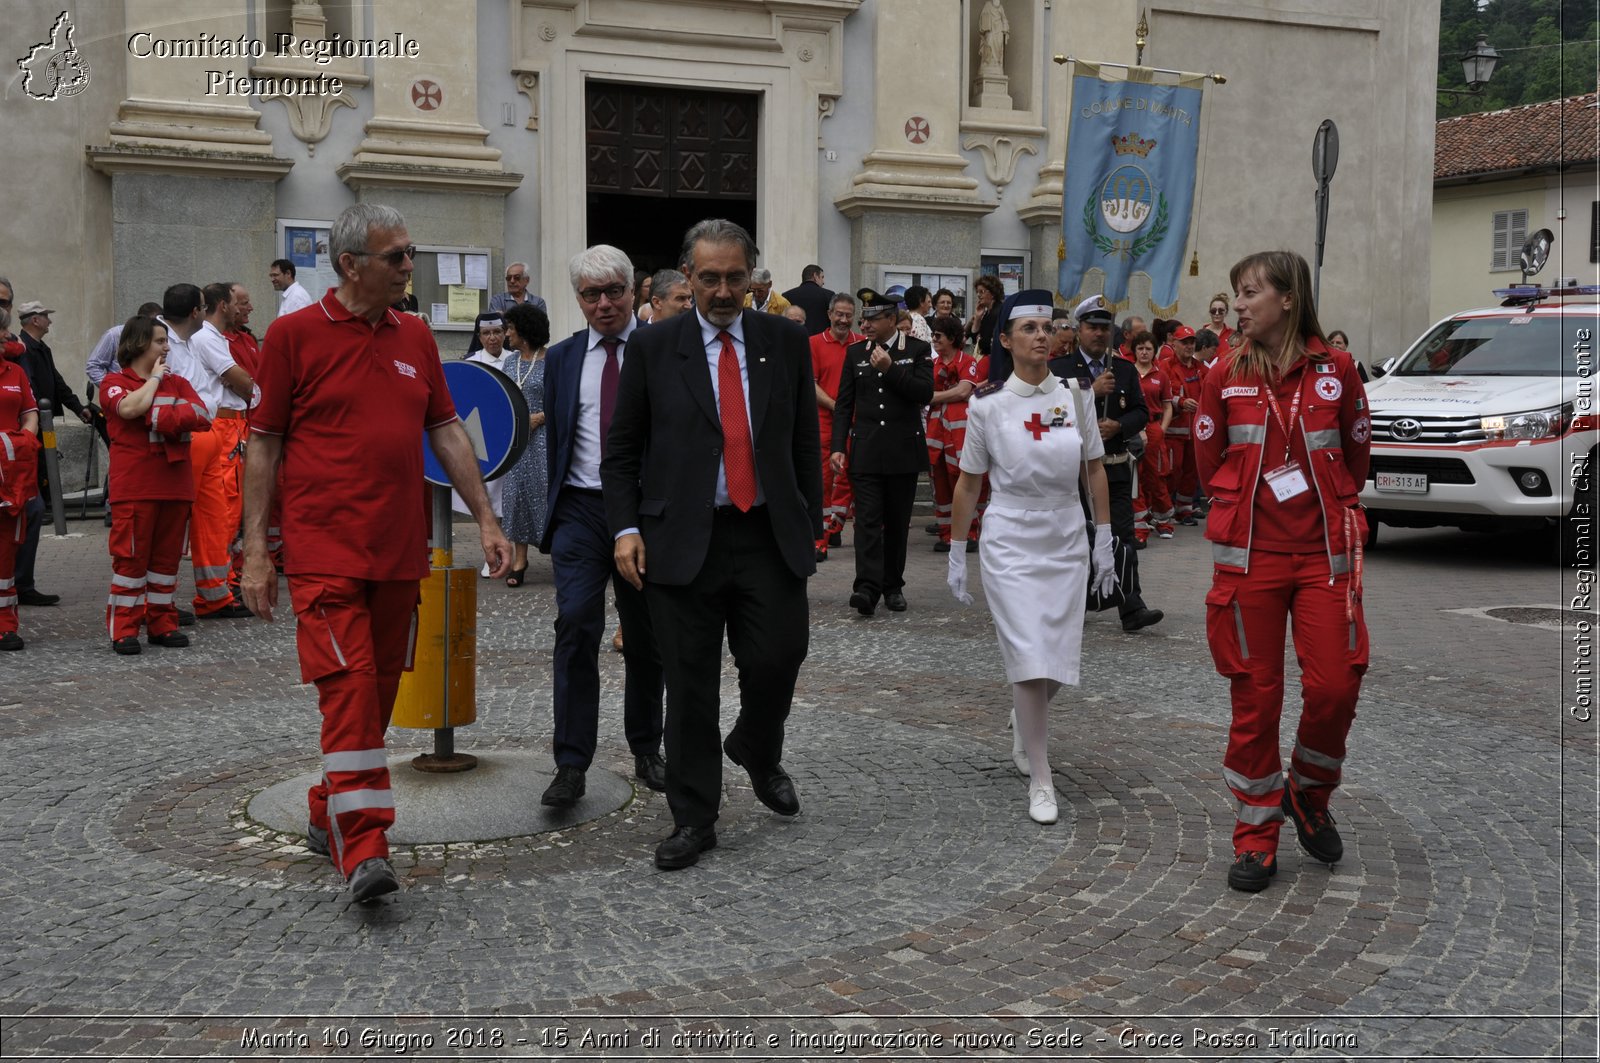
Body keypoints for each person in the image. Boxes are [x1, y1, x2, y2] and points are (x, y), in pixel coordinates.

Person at [240, 203, 512, 904]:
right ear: (350, 264)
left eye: (411, 253)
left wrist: (485, 518)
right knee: (352, 689)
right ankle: (363, 846)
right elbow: (263, 444)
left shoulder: (416, 335)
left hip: (399, 554)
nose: (407, 267)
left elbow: (447, 430)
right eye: (396, 256)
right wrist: (255, 552)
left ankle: (325, 803)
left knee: (377, 696)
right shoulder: (293, 336)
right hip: (324, 553)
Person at [604, 217, 821, 870]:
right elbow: (621, 451)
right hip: (680, 540)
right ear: (687, 278)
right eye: (710, 278)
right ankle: (694, 817)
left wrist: (810, 519)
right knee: (690, 686)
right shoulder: (652, 347)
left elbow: (803, 439)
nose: (724, 291)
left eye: (735, 277)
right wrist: (625, 528)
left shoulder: (784, 341)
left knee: (780, 654)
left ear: (753, 277)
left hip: (766, 533)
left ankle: (757, 745)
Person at [1195, 249, 1370, 894]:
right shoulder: (1223, 373)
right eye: (1236, 293)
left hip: (1324, 556)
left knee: (1335, 685)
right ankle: (1256, 834)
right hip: (1251, 560)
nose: (1239, 304)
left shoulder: (1339, 370)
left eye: (1250, 292)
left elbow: (1356, 452)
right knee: (1256, 699)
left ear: (1288, 298)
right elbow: (1209, 457)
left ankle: (1309, 791)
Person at [945, 289, 1118, 825]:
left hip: (1065, 532)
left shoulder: (1076, 393)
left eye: (1048, 327)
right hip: (1011, 538)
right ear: (1005, 340)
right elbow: (969, 485)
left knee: (1059, 657)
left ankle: (1027, 722)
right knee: (1027, 652)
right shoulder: (987, 404)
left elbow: (1093, 467)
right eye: (1029, 328)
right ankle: (1040, 775)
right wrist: (956, 550)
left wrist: (1105, 537)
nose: (1043, 336)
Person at [538, 244, 666, 809]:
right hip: (581, 511)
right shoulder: (562, 359)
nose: (605, 303)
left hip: (645, 513)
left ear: (634, 290)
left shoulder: (662, 352)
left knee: (646, 637)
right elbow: (559, 438)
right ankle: (570, 763)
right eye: (592, 295)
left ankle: (646, 747)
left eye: (615, 291)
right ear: (579, 300)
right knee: (576, 625)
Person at [1047, 294, 1163, 633]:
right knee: (1077, 537)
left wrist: (1120, 425)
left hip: (1113, 465)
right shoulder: (1059, 369)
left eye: (1104, 328)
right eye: (1091, 327)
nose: (1098, 334)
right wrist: (1090, 392)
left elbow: (1142, 412)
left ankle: (1132, 606)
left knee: (1122, 535)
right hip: (1074, 470)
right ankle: (1075, 605)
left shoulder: (1124, 369)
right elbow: (1048, 408)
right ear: (1079, 330)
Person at [100, 315, 210, 655]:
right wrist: (154, 385)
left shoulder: (177, 383)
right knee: (130, 563)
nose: (166, 347)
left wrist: (160, 414)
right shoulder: (114, 382)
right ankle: (124, 630)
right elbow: (130, 409)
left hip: (175, 486)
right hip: (135, 487)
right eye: (160, 341)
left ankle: (162, 624)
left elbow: (203, 415)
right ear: (138, 344)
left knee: (165, 565)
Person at [830, 287, 933, 615]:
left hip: (902, 450)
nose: (867, 324)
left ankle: (893, 585)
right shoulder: (855, 353)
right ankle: (866, 587)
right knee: (867, 522)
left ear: (892, 319)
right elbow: (845, 404)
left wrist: (891, 368)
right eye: (865, 319)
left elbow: (924, 393)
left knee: (897, 521)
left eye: (873, 319)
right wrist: (837, 447)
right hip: (867, 449)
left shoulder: (916, 349)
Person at [170, 283, 255, 620]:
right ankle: (180, 597)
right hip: (215, 427)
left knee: (219, 513)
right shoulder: (202, 338)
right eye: (241, 302)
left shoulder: (202, 339)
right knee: (210, 512)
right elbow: (238, 380)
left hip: (220, 426)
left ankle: (218, 590)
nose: (246, 309)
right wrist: (260, 393)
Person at [15, 299, 90, 608]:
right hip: (27, 432)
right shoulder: (22, 351)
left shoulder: (41, 349)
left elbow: (55, 382)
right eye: (45, 316)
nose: (50, 321)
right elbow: (29, 390)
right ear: (33, 320)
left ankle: (23, 581)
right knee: (31, 500)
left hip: (38, 425)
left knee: (35, 500)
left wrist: (79, 408)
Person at [498, 302, 550, 587]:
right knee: (516, 496)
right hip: (517, 441)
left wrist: (539, 418)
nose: (507, 334)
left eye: (511, 329)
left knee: (544, 493)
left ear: (525, 332)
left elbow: (563, 402)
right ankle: (520, 560)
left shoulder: (552, 361)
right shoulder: (509, 362)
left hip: (543, 438)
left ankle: (558, 554)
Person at [810, 292, 861, 561]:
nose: (843, 320)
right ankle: (819, 539)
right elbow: (811, 383)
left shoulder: (863, 344)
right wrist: (838, 407)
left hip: (858, 423)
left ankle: (836, 525)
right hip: (825, 423)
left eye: (848, 315)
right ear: (829, 315)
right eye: (838, 314)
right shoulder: (814, 344)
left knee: (855, 477)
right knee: (823, 481)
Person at [0, 307, 38, 650]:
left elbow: (30, 413)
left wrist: (22, 442)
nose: (4, 336)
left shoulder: (15, 372)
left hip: (11, 473)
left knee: (7, 549)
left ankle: (6, 625)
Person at [452, 312, 509, 529]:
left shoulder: (514, 359)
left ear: (505, 333)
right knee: (485, 497)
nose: (492, 338)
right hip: (481, 437)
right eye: (486, 333)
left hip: (507, 437)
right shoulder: (471, 362)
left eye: (497, 332)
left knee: (505, 498)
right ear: (479, 336)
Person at [925, 314, 976, 552]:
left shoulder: (967, 361)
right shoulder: (932, 365)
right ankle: (947, 534)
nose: (933, 339)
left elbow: (964, 391)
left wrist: (933, 396)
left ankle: (969, 534)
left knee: (962, 480)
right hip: (936, 433)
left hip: (960, 433)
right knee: (940, 483)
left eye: (938, 335)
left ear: (952, 338)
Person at [1128, 331, 1176, 544]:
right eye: (1140, 348)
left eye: (1148, 348)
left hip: (1154, 428)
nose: (1144, 352)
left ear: (1154, 351)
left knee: (1156, 475)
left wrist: (1162, 429)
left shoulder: (1161, 375)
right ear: (1135, 351)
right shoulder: (1129, 373)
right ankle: (1140, 526)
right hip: (1133, 429)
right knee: (1135, 477)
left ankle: (1163, 520)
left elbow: (1167, 406)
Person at [1158, 324, 1208, 524]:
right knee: (1172, 470)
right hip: (1173, 431)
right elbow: (1162, 395)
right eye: (1184, 342)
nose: (1188, 346)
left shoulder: (1202, 369)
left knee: (1191, 472)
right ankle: (1163, 507)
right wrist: (1180, 402)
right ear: (1174, 344)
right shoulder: (1165, 367)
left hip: (1196, 432)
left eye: (1191, 342)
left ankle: (1184, 510)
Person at [965, 274, 1004, 376]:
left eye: (982, 291)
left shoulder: (998, 311)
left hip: (994, 362)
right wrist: (977, 317)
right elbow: (974, 337)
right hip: (987, 360)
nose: (978, 295)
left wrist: (980, 339)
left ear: (993, 293)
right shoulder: (987, 312)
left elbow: (984, 343)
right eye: (977, 292)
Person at [782, 264, 834, 335]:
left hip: (795, 341)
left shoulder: (787, 295)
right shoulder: (829, 295)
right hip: (821, 342)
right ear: (815, 276)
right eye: (822, 277)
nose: (823, 282)